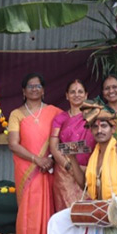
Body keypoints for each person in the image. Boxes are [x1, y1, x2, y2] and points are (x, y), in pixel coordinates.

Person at [8, 73, 63, 234]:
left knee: (50, 209)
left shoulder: (55, 112)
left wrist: (51, 159)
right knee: (29, 212)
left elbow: (65, 137)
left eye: (38, 86)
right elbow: (13, 144)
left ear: (44, 90)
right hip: (28, 168)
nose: (34, 89)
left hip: (50, 168)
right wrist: (36, 160)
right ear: (23, 91)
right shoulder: (16, 114)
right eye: (30, 86)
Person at [48, 79, 96, 211]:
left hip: (89, 170)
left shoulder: (94, 116)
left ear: (86, 95)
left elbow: (99, 141)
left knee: (87, 214)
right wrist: (68, 165)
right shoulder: (60, 118)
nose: (77, 94)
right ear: (67, 95)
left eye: (80, 91)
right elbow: (53, 146)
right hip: (65, 173)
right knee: (67, 214)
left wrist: (66, 148)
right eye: (72, 92)